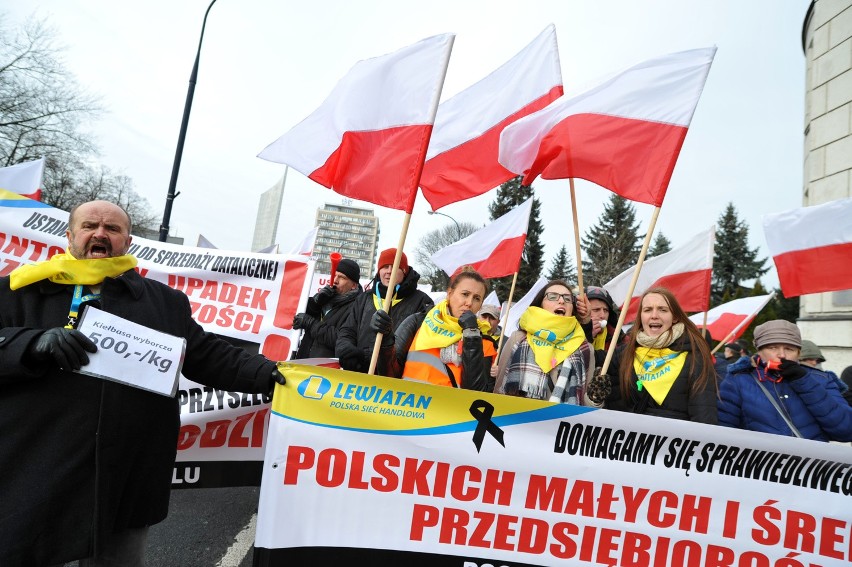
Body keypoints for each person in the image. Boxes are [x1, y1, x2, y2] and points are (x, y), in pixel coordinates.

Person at [0, 201, 285, 566]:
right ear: (70, 236)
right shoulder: (18, 289)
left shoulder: (164, 302)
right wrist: (31, 343)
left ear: (127, 241)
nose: (100, 233)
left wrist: (271, 374)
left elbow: (209, 356)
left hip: (128, 476)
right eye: (90, 225)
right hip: (36, 468)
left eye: (113, 229)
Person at [595, 287, 718, 423]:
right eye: (647, 310)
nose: (654, 315)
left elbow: (705, 418)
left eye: (662, 310)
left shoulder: (695, 358)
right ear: (641, 317)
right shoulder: (624, 354)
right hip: (630, 440)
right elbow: (586, 358)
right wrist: (586, 326)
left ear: (675, 317)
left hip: (674, 441)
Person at [718, 320, 852, 441]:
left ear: (799, 353)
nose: (781, 355)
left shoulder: (822, 380)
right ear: (759, 351)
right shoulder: (737, 381)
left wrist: (804, 382)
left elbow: (846, 431)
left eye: (789, 349)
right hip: (760, 465)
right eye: (772, 348)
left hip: (811, 465)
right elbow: (724, 435)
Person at [370, 268, 496, 391]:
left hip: (445, 411)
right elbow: (389, 373)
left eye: (477, 298)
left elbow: (475, 393)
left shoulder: (484, 341)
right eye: (465, 294)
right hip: (408, 407)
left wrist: (471, 335)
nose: (469, 302)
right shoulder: (419, 322)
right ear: (450, 293)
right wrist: (385, 338)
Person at [492, 280, 598, 405]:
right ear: (540, 304)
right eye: (552, 296)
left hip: (562, 422)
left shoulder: (585, 348)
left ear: (572, 308)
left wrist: (595, 399)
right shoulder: (518, 338)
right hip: (521, 420)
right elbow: (499, 391)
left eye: (568, 299)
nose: (561, 301)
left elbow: (586, 406)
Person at [335, 248, 433, 373]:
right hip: (358, 377)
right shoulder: (364, 298)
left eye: (395, 266)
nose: (389, 271)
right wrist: (347, 351)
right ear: (379, 271)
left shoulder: (422, 301)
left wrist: (366, 355)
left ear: (404, 272)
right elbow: (347, 331)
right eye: (385, 267)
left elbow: (417, 347)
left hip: (394, 381)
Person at [292, 257, 362, 359]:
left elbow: (342, 339)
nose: (335, 281)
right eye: (334, 275)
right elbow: (297, 316)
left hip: (325, 370)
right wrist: (315, 302)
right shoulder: (325, 298)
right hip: (302, 363)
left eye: (342, 277)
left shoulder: (357, 308)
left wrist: (311, 324)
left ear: (354, 285)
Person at [585, 285, 620, 351]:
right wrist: (587, 338)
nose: (603, 315)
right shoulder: (572, 334)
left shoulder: (618, 337)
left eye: (605, 310)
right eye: (596, 310)